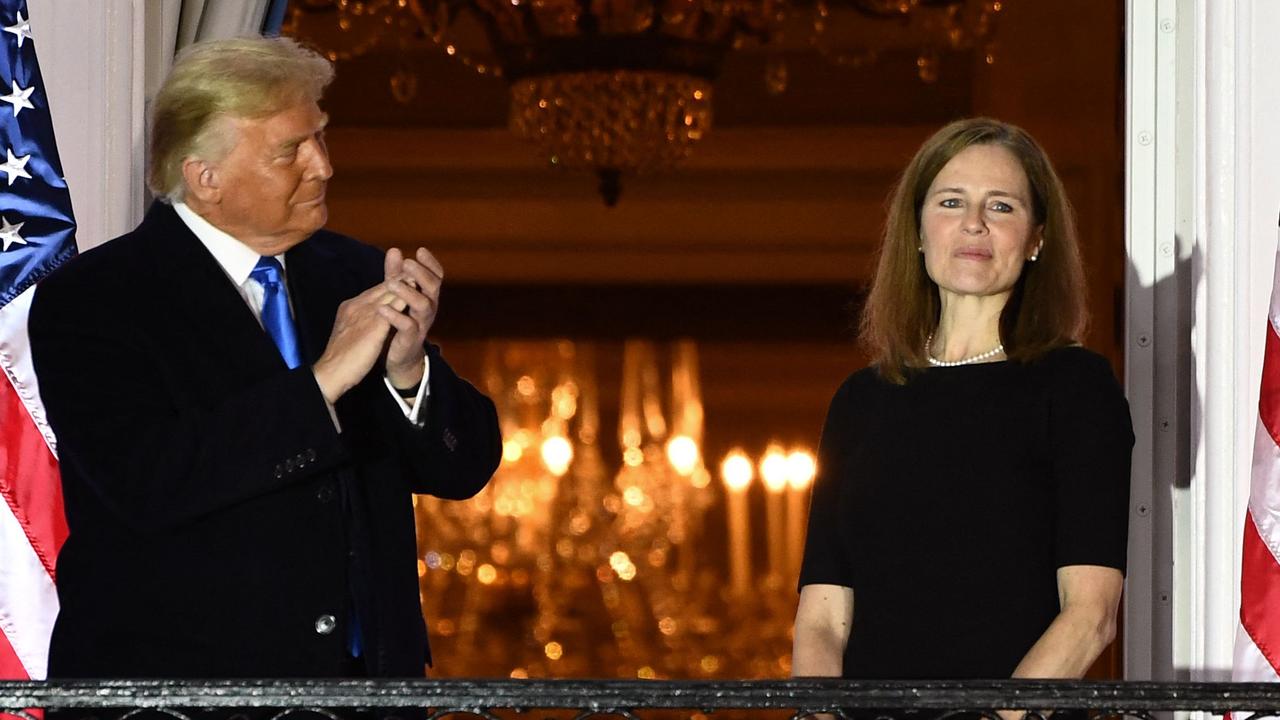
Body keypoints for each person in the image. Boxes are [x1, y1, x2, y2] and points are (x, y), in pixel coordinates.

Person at [29, 36, 502, 678]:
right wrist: (325, 379)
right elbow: (150, 483)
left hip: (364, 697)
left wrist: (407, 370)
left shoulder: (356, 272)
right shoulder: (94, 299)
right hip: (179, 699)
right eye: (291, 150)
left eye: (321, 136)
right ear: (205, 178)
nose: (324, 166)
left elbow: (464, 466)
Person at [791, 117, 1133, 683]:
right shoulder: (861, 400)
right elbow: (822, 621)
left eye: (1001, 207)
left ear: (1037, 239)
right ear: (919, 231)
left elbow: (1090, 615)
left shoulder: (1076, 387)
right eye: (951, 202)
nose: (973, 223)